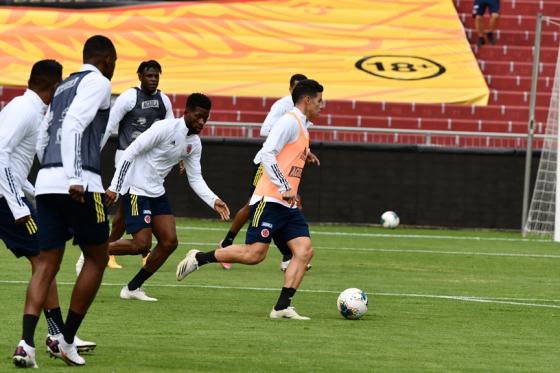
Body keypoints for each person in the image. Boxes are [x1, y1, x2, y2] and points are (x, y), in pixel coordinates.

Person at [176, 79, 324, 320]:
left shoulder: (302, 126)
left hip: (287, 204)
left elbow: (287, 151)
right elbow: (267, 152)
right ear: (307, 100)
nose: (322, 106)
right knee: (255, 255)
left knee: (304, 251)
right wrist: (285, 186)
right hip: (269, 200)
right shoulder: (289, 120)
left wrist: (305, 154)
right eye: (319, 101)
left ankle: (281, 307)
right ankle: (199, 258)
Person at [14, 35, 117, 367]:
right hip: (82, 181)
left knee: (45, 263)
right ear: (106, 60)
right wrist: (73, 176)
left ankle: (26, 344)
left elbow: (45, 136)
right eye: (114, 62)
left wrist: (53, 170)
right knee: (97, 258)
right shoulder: (98, 82)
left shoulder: (61, 87)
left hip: (47, 181)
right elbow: (74, 124)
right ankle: (65, 339)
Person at [4, 60, 92, 368]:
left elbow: (12, 165)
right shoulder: (24, 110)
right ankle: (44, 339)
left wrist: (29, 193)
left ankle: (55, 335)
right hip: (4, 200)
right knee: (44, 261)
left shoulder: (28, 109)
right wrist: (17, 205)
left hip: (10, 195)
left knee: (44, 261)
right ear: (53, 87)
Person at [105, 93, 230, 302]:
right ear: (187, 112)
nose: (201, 122)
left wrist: (213, 199)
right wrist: (115, 186)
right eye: (198, 116)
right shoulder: (165, 128)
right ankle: (94, 249)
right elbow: (130, 151)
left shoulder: (195, 144)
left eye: (205, 118)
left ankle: (133, 288)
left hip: (157, 193)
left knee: (169, 242)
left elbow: (195, 178)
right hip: (136, 189)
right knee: (141, 245)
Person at [76, 60, 174, 271]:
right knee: (120, 201)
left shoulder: (164, 100)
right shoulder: (129, 97)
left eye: (157, 75)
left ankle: (110, 250)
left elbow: (172, 130)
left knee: (124, 210)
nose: (153, 79)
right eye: (149, 75)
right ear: (139, 76)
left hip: (148, 163)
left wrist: (180, 156)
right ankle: (97, 248)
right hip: (126, 159)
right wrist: (94, 153)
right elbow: (110, 125)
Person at [219, 73, 319, 271]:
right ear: (291, 90)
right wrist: (283, 134)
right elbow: (266, 130)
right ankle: (226, 243)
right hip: (267, 164)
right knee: (253, 206)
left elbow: (295, 139)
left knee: (291, 204)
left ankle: (288, 255)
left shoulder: (303, 114)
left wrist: (304, 152)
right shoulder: (284, 107)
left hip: (285, 165)